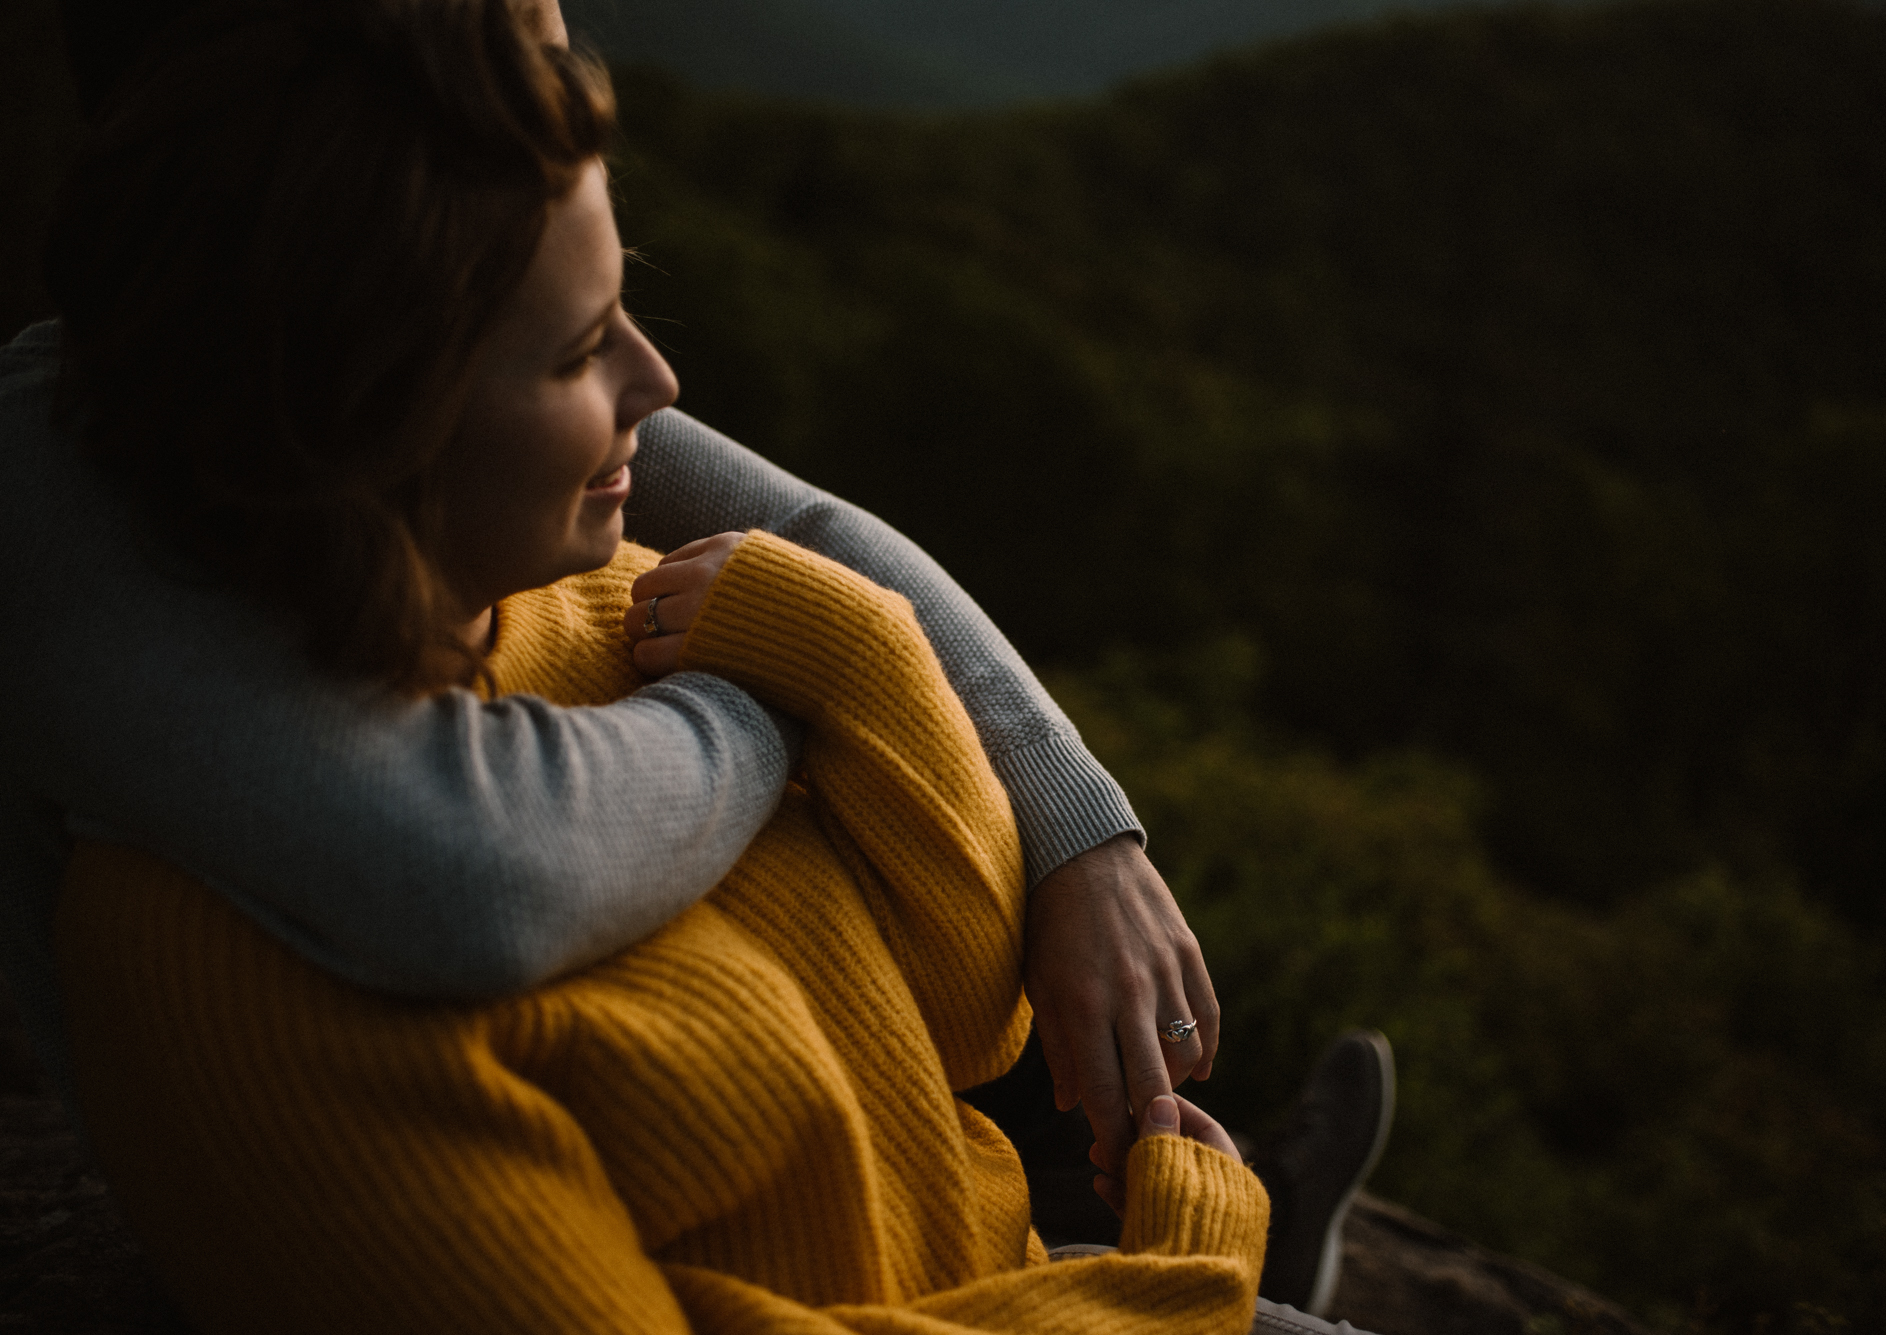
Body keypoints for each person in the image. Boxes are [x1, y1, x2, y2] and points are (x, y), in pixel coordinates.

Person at [40, 1, 1391, 1329]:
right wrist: (1194, 1277)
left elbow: (969, 1024)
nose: (663, 384)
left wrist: (890, 684)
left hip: (1020, 1263)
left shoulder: (595, 590)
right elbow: (466, 872)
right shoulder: (239, 952)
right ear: (370, 411)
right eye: (583, 347)